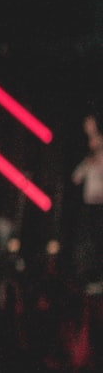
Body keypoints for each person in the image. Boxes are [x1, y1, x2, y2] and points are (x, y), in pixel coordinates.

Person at [71, 114, 103, 281]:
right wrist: (88, 163)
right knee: (91, 238)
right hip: (90, 201)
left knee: (98, 237)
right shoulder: (88, 157)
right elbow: (76, 177)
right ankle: (91, 273)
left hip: (100, 201)